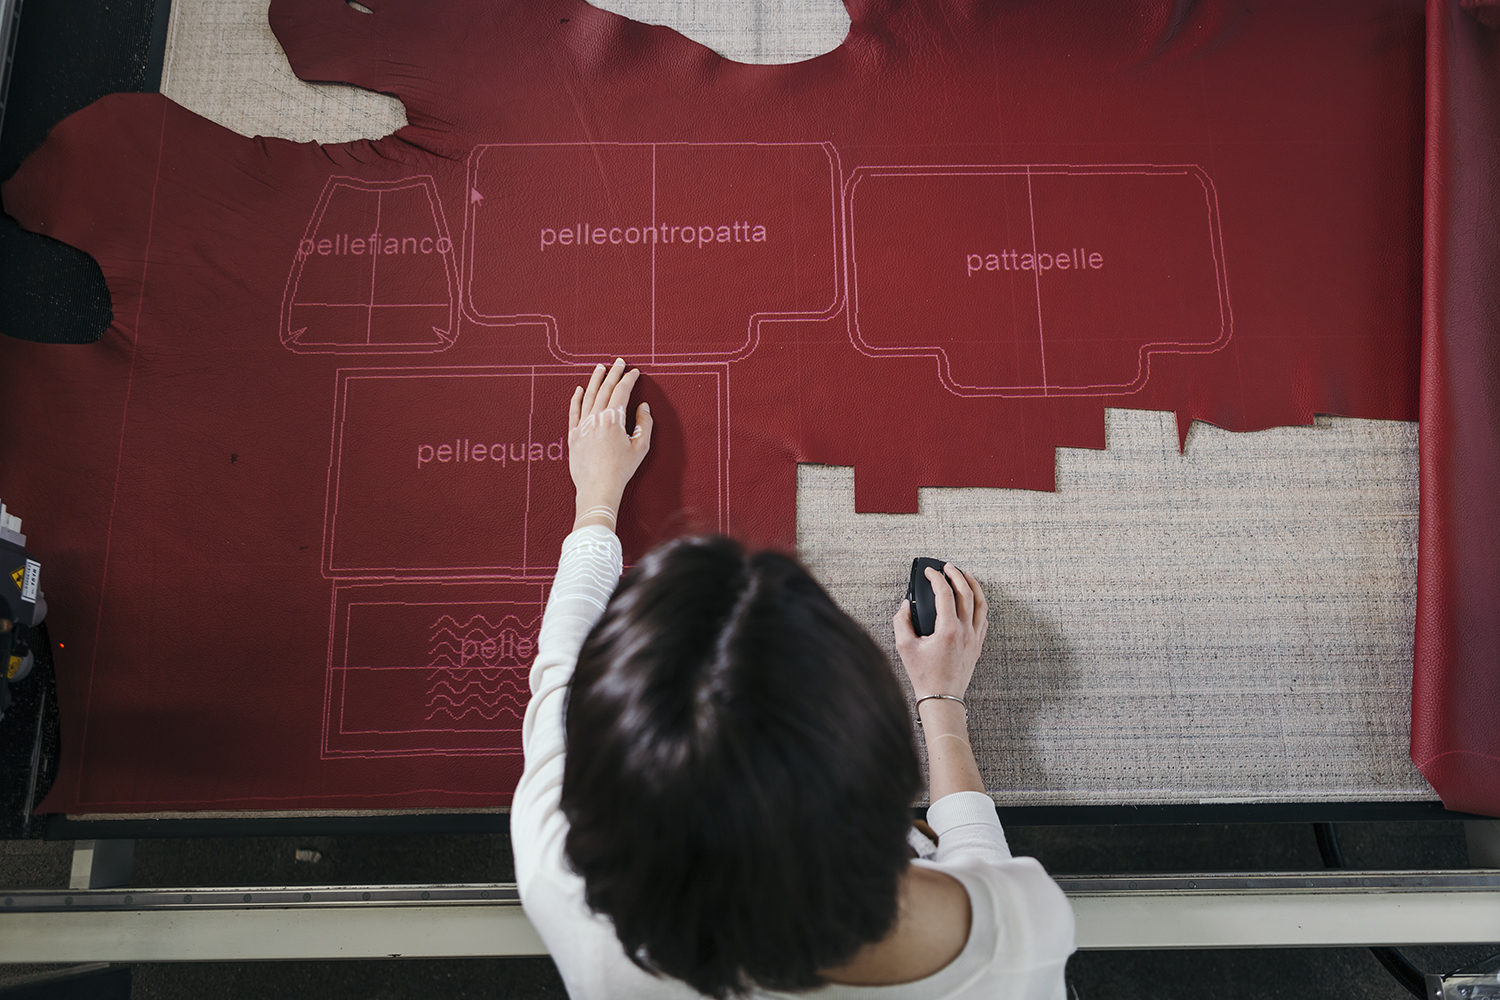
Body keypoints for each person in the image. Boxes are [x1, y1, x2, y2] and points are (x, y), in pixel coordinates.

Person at [512, 358, 1076, 999]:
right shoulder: (1020, 933)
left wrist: (596, 502)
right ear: (874, 761)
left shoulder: (563, 870)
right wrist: (941, 700)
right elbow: (979, 866)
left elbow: (563, 661)